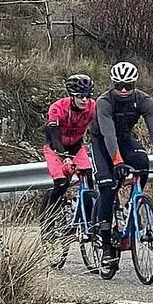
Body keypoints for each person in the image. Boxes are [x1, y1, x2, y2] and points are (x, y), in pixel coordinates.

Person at [88, 61, 153, 274]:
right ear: (113, 85)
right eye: (119, 86)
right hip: (101, 141)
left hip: (124, 137)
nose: (124, 90)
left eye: (129, 86)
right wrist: (117, 162)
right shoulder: (104, 102)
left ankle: (132, 204)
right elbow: (108, 134)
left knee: (142, 163)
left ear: (135, 84)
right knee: (107, 185)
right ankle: (106, 246)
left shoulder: (144, 101)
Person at [41, 74, 97, 236]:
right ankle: (48, 220)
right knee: (61, 183)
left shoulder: (93, 107)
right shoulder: (57, 108)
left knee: (88, 178)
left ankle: (89, 221)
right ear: (72, 95)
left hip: (76, 147)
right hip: (55, 148)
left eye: (87, 96)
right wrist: (64, 157)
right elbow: (54, 137)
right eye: (80, 96)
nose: (84, 100)